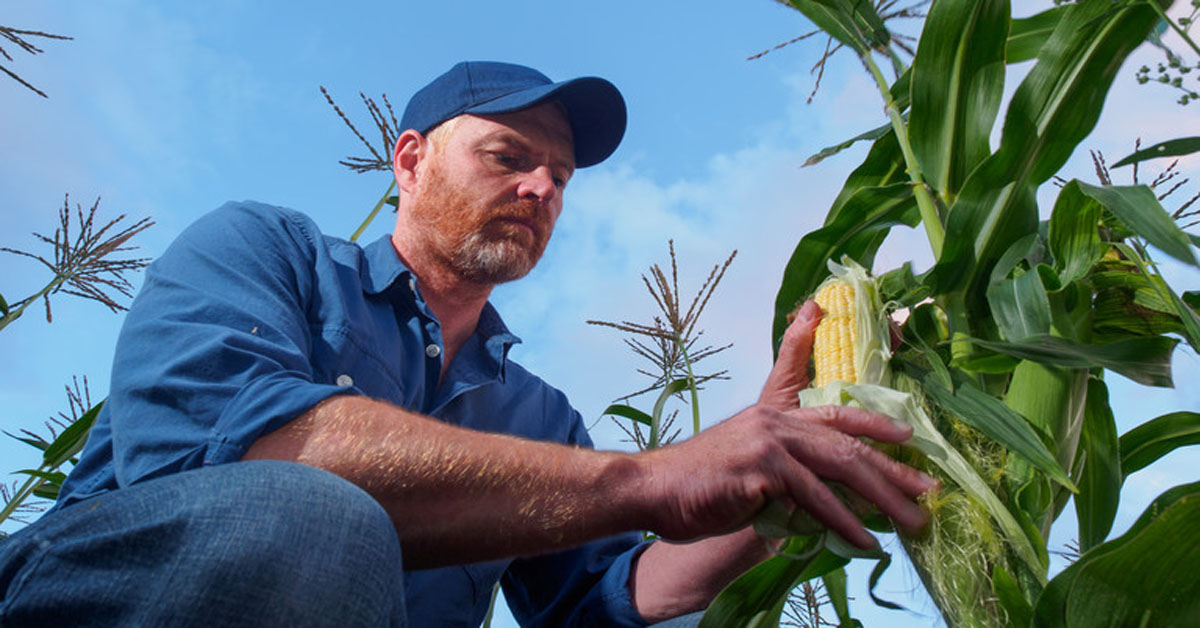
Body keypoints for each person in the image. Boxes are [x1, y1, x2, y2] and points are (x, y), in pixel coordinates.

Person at [0, 61, 935, 627]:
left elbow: (610, 600)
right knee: (319, 519)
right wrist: (651, 475)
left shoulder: (538, 415)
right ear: (410, 161)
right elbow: (245, 453)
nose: (542, 189)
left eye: (560, 176)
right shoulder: (263, 251)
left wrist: (775, 486)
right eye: (508, 156)